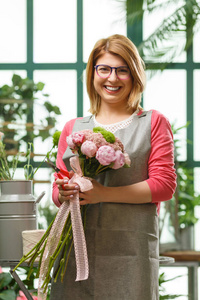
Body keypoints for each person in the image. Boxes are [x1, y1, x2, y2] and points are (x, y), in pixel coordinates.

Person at [50, 34, 177, 300]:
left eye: (122, 70)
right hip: (77, 251)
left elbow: (164, 186)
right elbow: (59, 186)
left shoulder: (153, 123)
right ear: (93, 73)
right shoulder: (73, 128)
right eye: (104, 69)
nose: (112, 78)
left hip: (132, 252)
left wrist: (104, 195)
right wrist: (62, 192)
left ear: (135, 75)